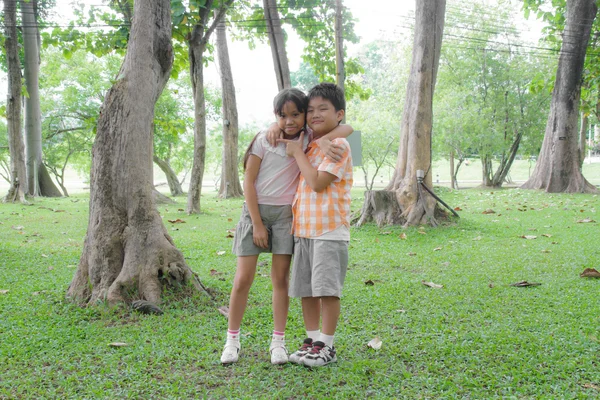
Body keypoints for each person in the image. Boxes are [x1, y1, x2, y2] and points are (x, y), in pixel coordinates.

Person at [220, 88, 353, 365]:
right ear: (275, 116)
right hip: (266, 218)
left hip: (293, 220)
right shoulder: (269, 139)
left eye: (296, 114)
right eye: (282, 115)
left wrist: (335, 133)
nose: (290, 120)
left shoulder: (310, 140)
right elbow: (249, 180)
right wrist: (256, 223)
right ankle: (232, 340)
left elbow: (349, 128)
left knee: (287, 281)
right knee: (246, 279)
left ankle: (281, 342)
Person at [278, 83, 353, 367]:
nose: (315, 114)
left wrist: (298, 153)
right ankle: (311, 341)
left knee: (327, 290)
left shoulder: (338, 146)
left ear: (339, 113)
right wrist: (302, 147)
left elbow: (317, 183)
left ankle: (327, 345)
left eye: (324, 109)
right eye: (311, 110)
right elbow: (285, 130)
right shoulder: (311, 144)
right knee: (307, 290)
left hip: (329, 230)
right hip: (305, 230)